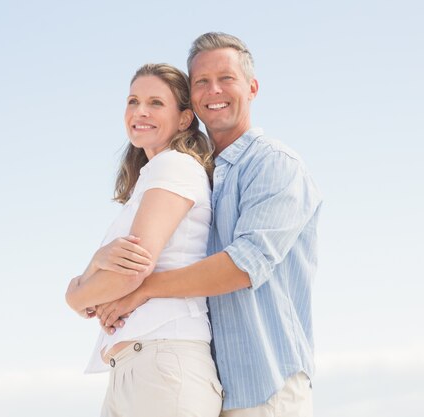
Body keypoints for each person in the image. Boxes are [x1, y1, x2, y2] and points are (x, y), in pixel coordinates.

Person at [95, 33, 322, 417]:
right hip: (209, 385)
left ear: (252, 87)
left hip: (265, 386)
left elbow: (244, 265)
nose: (213, 90)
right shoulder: (200, 176)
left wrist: (142, 290)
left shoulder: (275, 165)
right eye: (201, 81)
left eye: (226, 78)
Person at [65, 63, 223, 417]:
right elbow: (113, 273)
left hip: (162, 363)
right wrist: (96, 264)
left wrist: (74, 293)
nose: (140, 112)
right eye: (133, 101)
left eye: (155, 103)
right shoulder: (150, 179)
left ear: (184, 119)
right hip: (138, 367)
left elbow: (129, 272)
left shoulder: (175, 167)